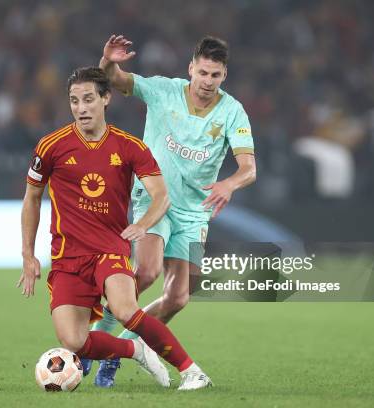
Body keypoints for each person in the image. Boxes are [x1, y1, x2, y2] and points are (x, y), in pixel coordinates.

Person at [17, 66, 212, 391]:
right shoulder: (50, 146)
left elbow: (161, 196)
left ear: (106, 99)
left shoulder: (129, 147)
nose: (81, 108)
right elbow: (32, 198)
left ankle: (192, 371)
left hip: (109, 250)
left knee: (124, 309)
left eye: (89, 99)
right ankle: (134, 349)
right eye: (74, 101)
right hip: (67, 257)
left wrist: (143, 224)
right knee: (75, 341)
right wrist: (27, 254)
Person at [87, 35, 257, 387]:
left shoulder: (232, 111)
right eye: (204, 72)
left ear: (224, 76)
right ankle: (96, 338)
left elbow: (249, 168)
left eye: (216, 75)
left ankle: (123, 349)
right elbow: (113, 80)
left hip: (195, 213)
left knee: (179, 297)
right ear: (191, 68)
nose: (208, 81)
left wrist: (229, 184)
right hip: (155, 198)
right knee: (146, 272)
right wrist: (108, 61)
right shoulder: (163, 90)